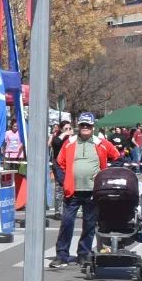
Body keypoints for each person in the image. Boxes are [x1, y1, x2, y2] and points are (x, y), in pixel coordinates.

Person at [50, 112, 120, 268]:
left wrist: (106, 175)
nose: (85, 128)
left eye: (88, 125)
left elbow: (117, 157)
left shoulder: (101, 143)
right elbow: (59, 163)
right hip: (72, 191)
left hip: (93, 192)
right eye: (82, 125)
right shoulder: (69, 142)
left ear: (93, 127)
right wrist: (62, 181)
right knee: (67, 223)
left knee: (89, 225)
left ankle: (83, 254)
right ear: (78, 126)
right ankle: (62, 256)